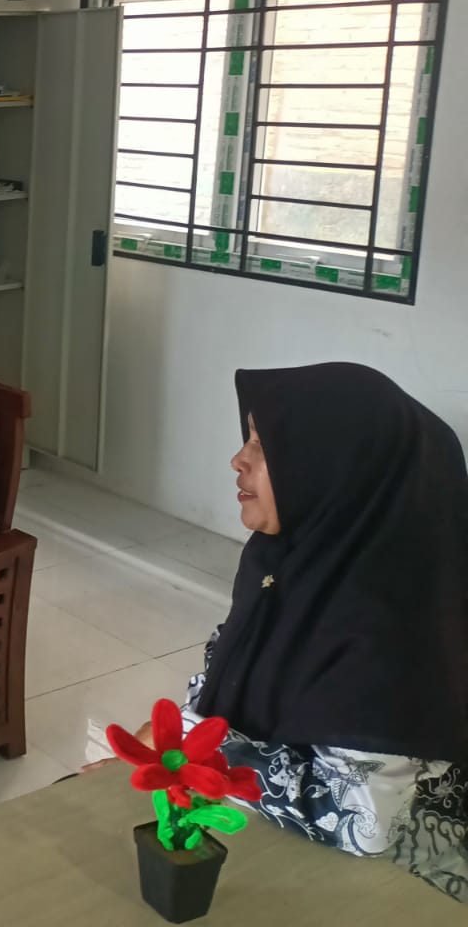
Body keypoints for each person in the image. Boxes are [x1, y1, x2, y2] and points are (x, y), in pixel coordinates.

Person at [113, 364, 467, 902]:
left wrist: (193, 751)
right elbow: (223, 682)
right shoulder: (282, 564)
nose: (239, 459)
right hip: (269, 838)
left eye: (263, 445)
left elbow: (361, 823)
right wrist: (171, 752)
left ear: (335, 470)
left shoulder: (392, 623)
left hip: (399, 891)